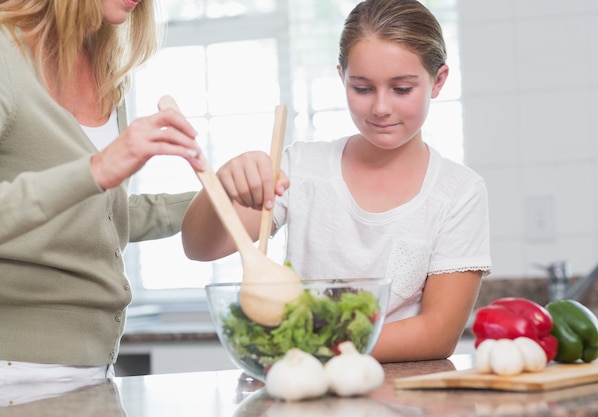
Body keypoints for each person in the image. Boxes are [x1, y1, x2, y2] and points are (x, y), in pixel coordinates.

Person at [181, 0, 491, 362]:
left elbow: (437, 334)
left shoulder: (458, 193)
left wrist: (308, 347)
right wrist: (220, 185)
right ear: (342, 76)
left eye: (401, 89)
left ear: (437, 81)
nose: (380, 107)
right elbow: (198, 248)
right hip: (299, 383)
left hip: (400, 392)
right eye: (362, 88)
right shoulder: (301, 168)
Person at [0, 0, 205, 391]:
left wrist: (213, 200)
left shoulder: (107, 73)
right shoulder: (6, 56)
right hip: (13, 368)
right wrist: (97, 169)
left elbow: (94, 214)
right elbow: (87, 181)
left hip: (94, 365)